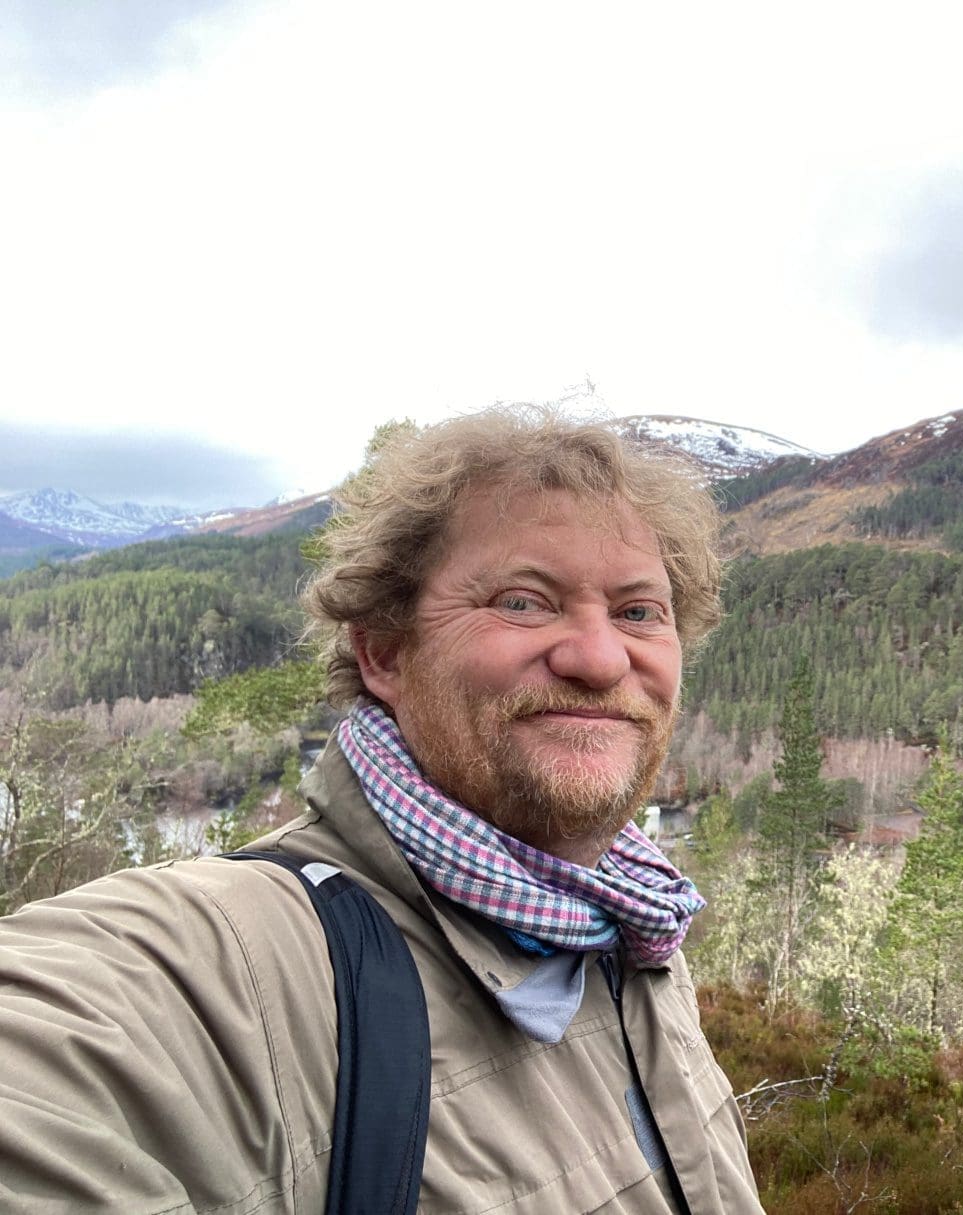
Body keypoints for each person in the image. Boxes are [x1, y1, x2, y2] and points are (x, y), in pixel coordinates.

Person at [0, 408, 763, 1213]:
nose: (601, 656)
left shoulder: (638, 932)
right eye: (524, 601)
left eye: (638, 612)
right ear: (385, 652)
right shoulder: (249, 960)